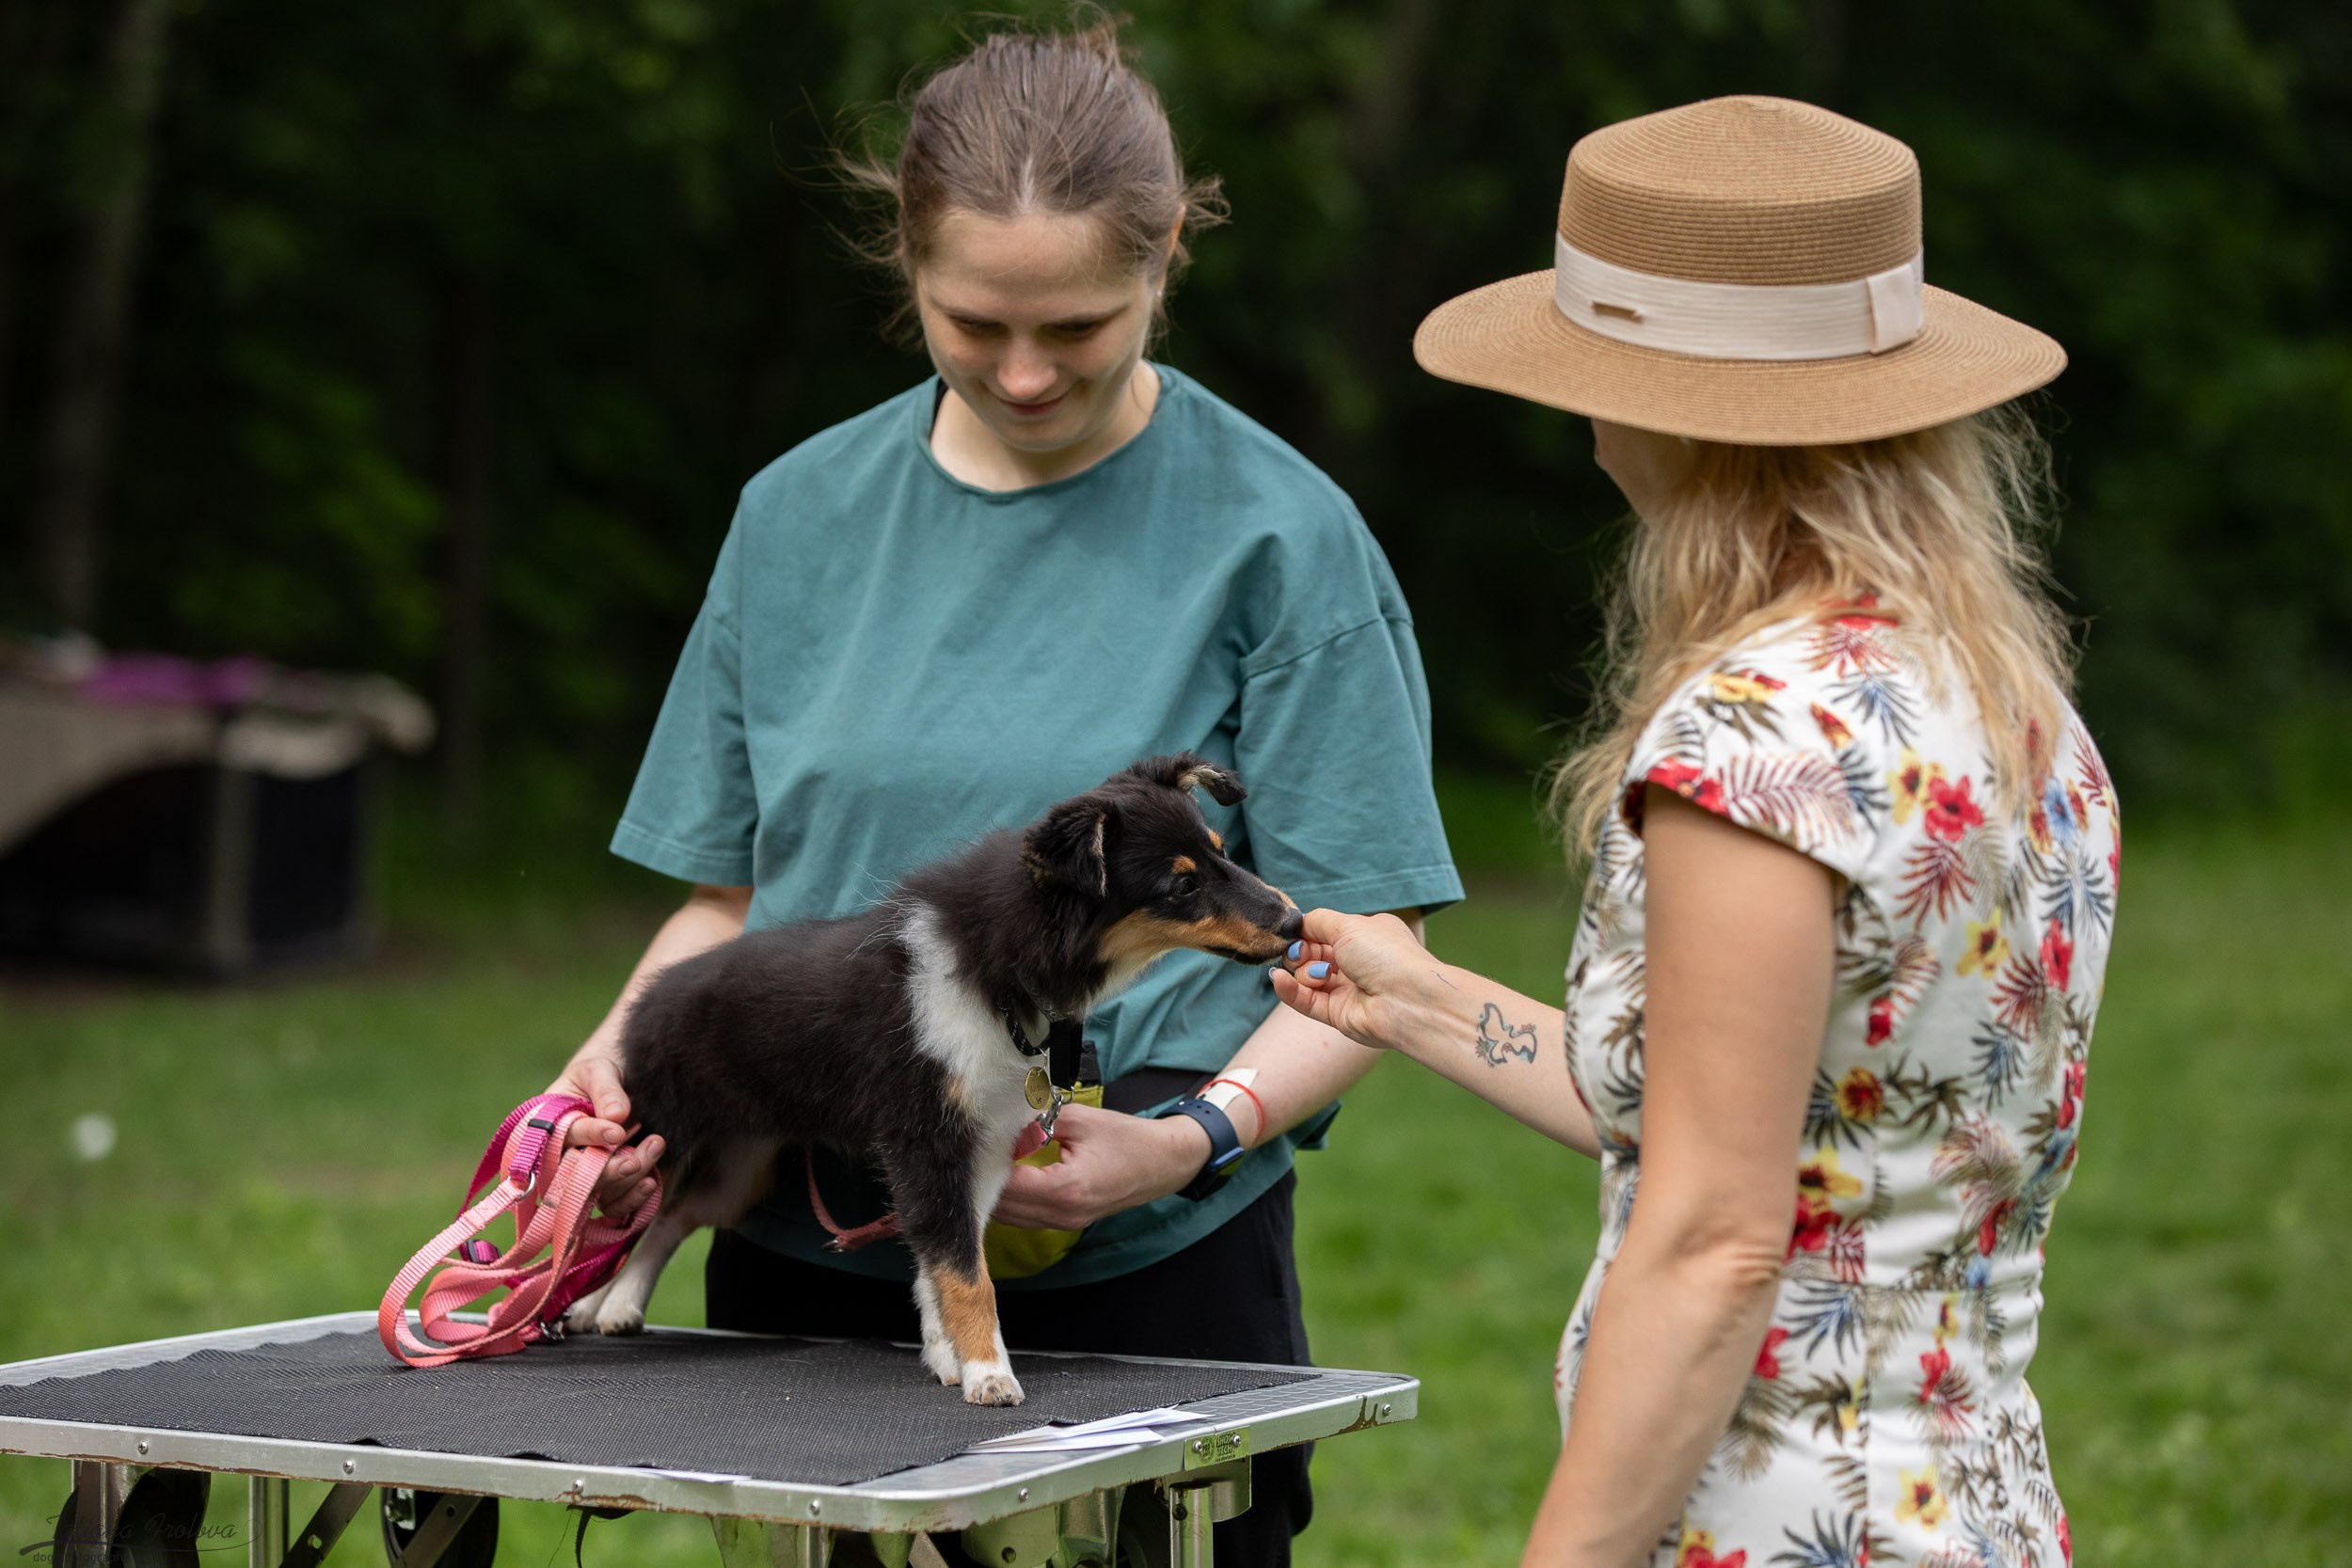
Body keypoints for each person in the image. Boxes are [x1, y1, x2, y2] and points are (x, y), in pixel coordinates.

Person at [544, 18, 1461, 1566]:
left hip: (1149, 1273)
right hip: (801, 1253)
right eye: (973, 322)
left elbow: (1373, 944)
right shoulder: (797, 517)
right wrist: (605, 1086)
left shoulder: (1284, 539)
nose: (1025, 373)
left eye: (1081, 326)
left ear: (1167, 256)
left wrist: (1193, 1144)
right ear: (903, 263)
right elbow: (725, 893)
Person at [1272, 97, 2116, 1568]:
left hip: (1776, 1520)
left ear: (1667, 407)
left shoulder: (1750, 736)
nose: (1582, 424)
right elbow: (1776, 1116)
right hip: (1975, 1511)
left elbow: (1720, 1239)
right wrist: (1413, 1000)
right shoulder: (2006, 699)